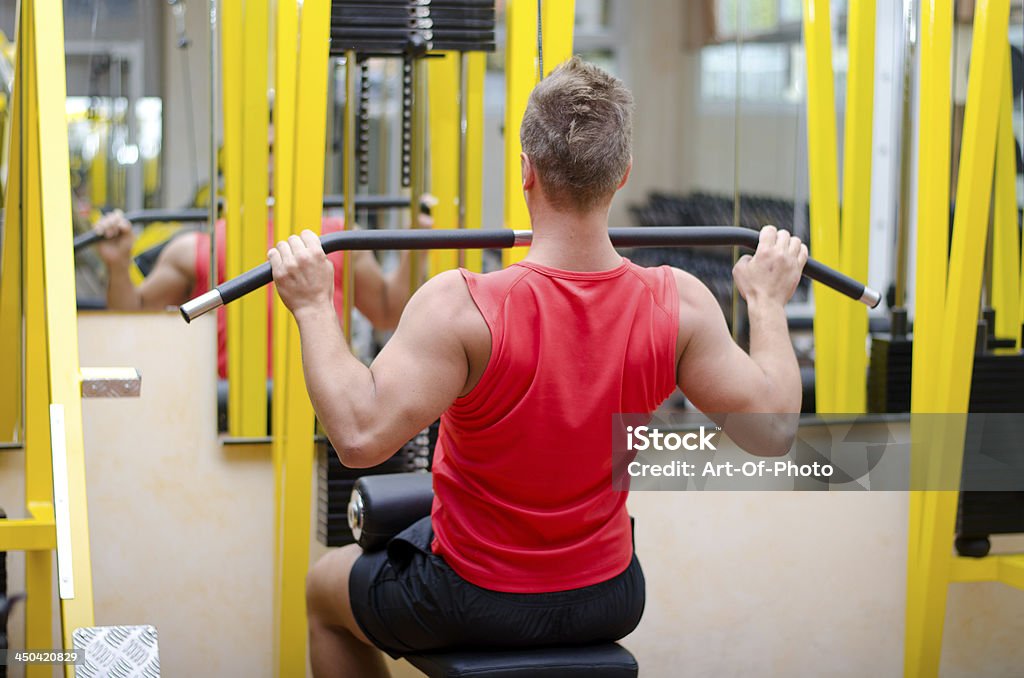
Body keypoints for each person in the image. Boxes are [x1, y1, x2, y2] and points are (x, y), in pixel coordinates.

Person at [269, 57, 808, 678]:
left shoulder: (464, 306)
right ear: (623, 174)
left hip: (473, 596)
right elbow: (773, 431)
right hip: (608, 596)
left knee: (321, 588)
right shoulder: (679, 301)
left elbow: (360, 437)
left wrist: (313, 304)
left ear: (526, 171)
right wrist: (767, 303)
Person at [93, 206, 431, 378]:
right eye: (264, 151)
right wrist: (118, 265)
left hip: (322, 414)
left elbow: (387, 312)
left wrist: (418, 242)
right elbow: (133, 315)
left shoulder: (338, 238)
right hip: (229, 417)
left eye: (278, 150)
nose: (271, 163)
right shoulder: (200, 247)